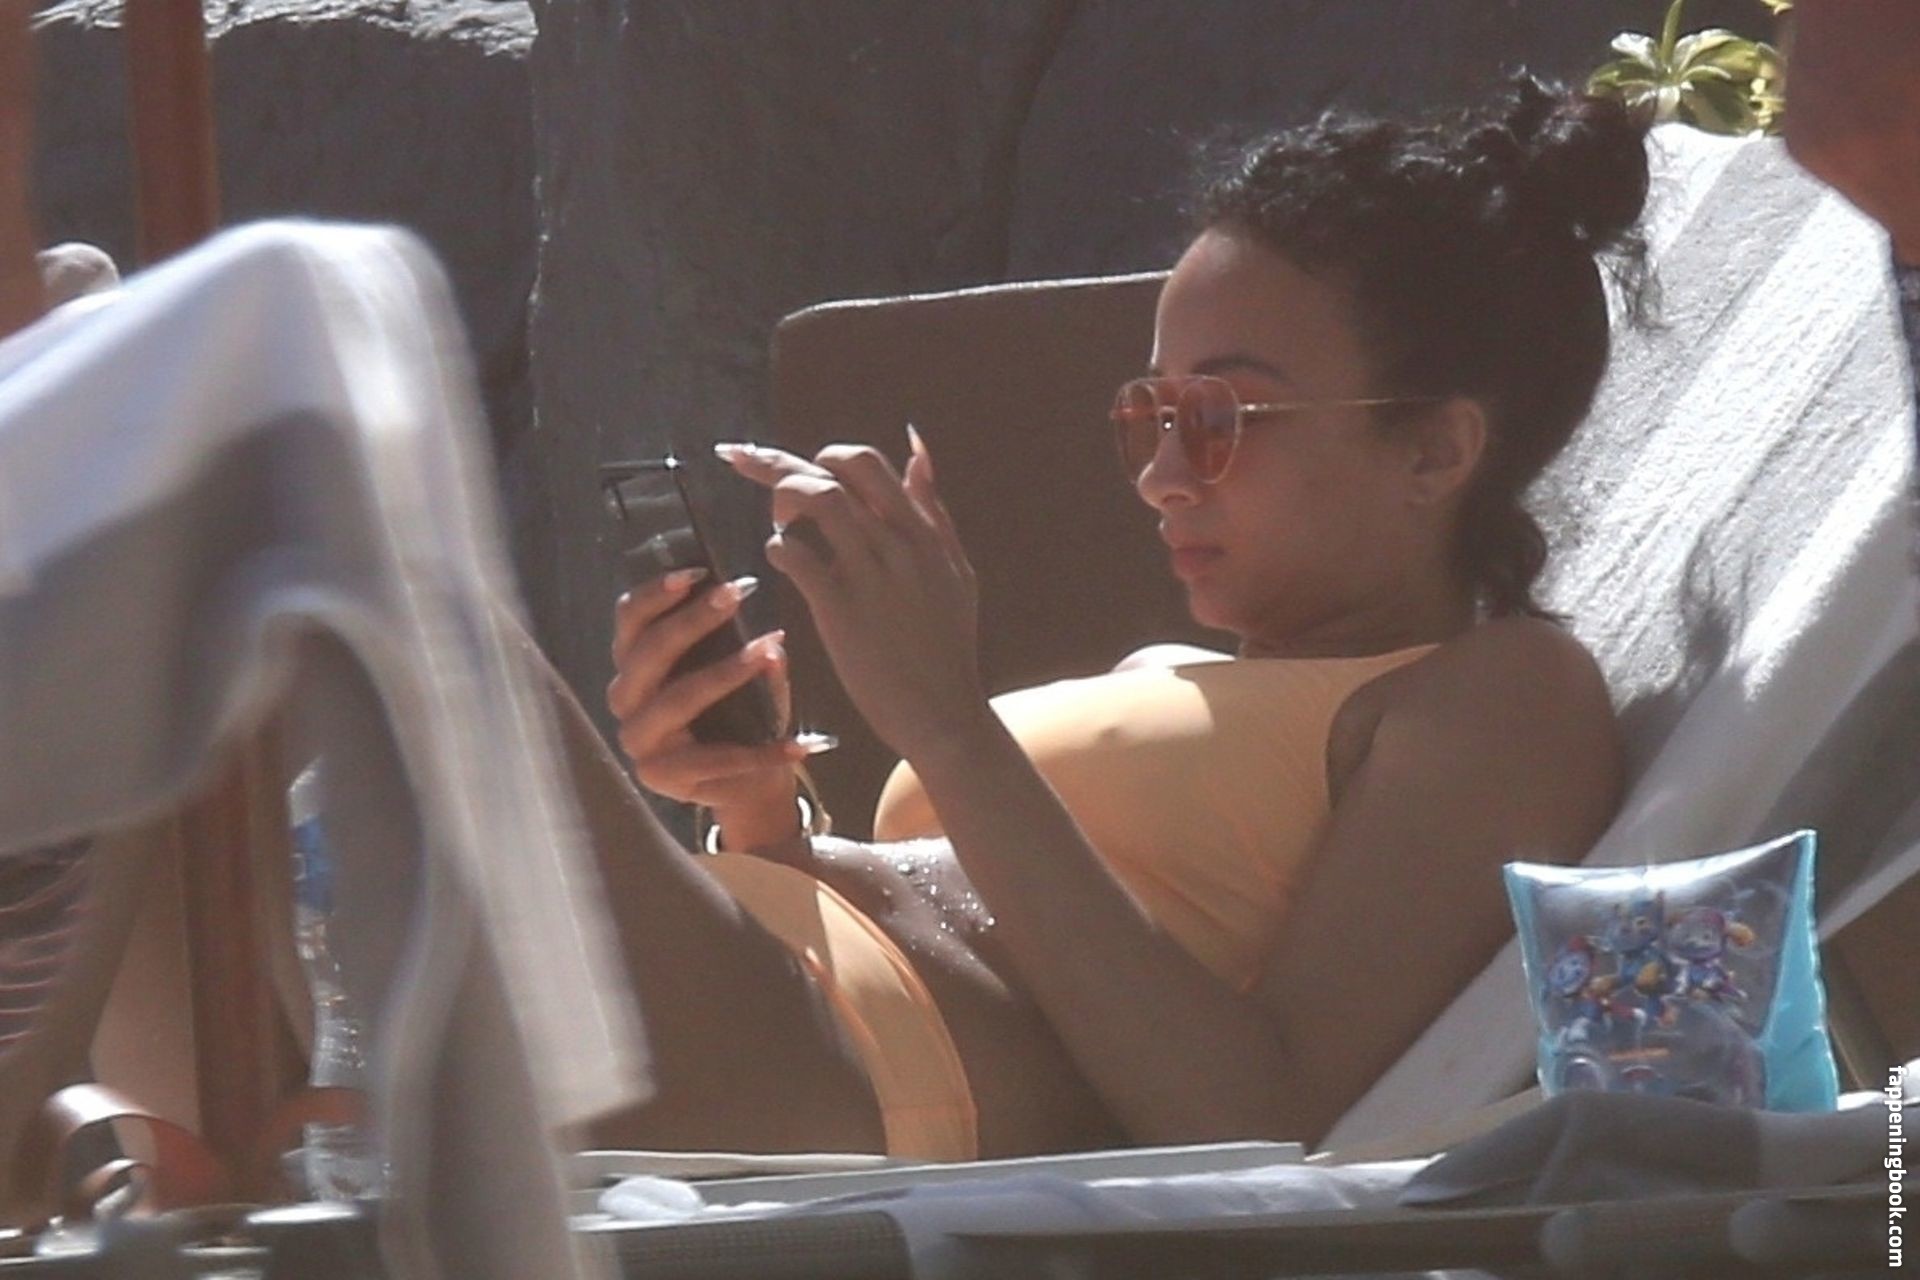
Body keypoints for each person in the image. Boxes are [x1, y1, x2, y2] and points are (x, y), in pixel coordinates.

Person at [598, 75, 1636, 1160]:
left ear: (1433, 450)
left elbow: (1257, 1120)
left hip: (850, 1053)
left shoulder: (1505, 689)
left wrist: (949, 725)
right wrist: (756, 804)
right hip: (769, 984)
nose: (1160, 476)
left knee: (475, 665)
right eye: (1151, 413)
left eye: (1221, 416)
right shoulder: (1161, 671)